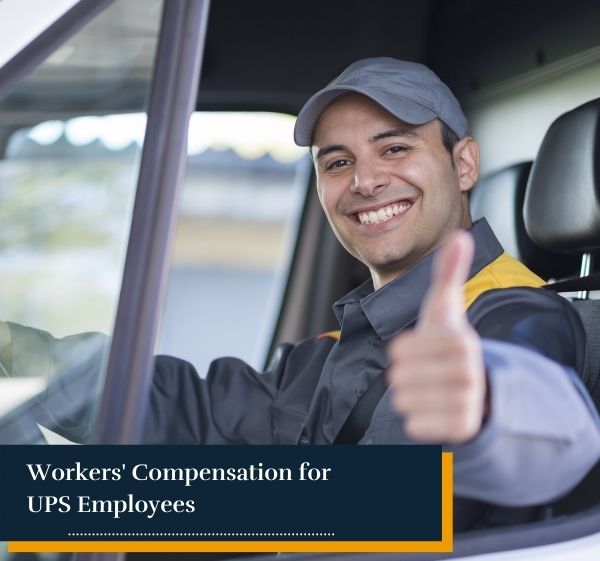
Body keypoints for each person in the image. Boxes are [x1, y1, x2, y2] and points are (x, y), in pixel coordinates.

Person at [1, 58, 599, 531]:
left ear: (463, 164)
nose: (364, 181)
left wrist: (491, 406)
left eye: (395, 148)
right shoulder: (337, 349)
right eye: (337, 162)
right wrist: (21, 353)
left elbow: (533, 419)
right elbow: (197, 413)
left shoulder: (515, 314)